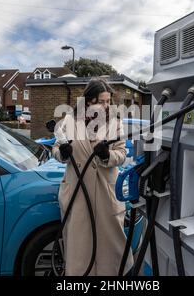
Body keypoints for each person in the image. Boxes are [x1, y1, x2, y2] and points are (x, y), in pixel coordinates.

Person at [52, 77, 133, 276]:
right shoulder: (70, 121)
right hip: (78, 195)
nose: (107, 106)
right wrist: (63, 152)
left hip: (105, 194)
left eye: (108, 101)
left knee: (111, 252)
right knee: (80, 252)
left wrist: (108, 156)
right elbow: (56, 149)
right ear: (89, 102)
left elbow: (122, 154)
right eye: (102, 101)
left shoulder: (115, 122)